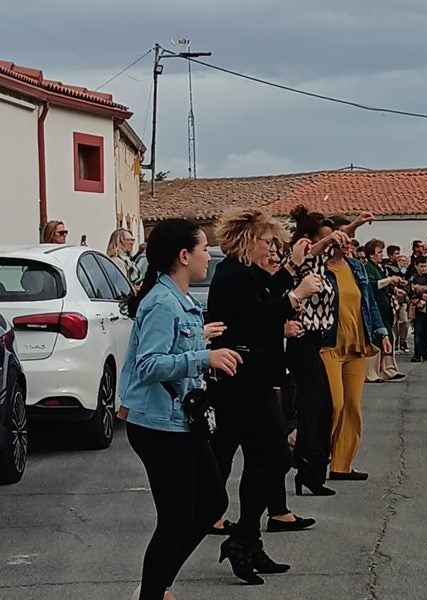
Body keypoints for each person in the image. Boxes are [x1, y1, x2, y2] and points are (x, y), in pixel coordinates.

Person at [119, 218, 238, 600]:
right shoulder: (161, 302)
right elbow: (149, 365)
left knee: (211, 503)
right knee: (176, 518)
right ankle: (153, 591)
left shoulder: (178, 299)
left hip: (181, 421)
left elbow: (170, 346)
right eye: (203, 248)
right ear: (183, 256)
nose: (208, 255)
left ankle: (159, 582)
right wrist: (204, 356)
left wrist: (198, 340)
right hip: (157, 425)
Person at [207, 208, 323, 584]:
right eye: (268, 242)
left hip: (255, 376)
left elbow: (266, 295)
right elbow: (252, 315)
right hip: (242, 380)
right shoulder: (231, 275)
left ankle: (249, 539)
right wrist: (294, 297)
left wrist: (290, 273)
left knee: (263, 458)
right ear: (248, 241)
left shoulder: (246, 275)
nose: (273, 249)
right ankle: (242, 538)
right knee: (275, 455)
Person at [307, 217, 393, 482]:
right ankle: (316, 458)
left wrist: (381, 332)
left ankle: (342, 465)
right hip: (329, 345)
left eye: (347, 240)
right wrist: (338, 235)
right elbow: (307, 257)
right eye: (337, 238)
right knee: (334, 404)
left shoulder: (356, 267)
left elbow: (368, 304)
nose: (344, 243)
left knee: (352, 407)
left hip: (357, 344)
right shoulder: (318, 269)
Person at [363, 239, 406, 384]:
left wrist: (395, 289)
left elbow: (384, 285)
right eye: (379, 252)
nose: (382, 255)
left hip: (385, 308)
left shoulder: (379, 268)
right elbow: (372, 286)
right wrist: (389, 280)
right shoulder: (368, 268)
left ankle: (389, 369)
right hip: (375, 308)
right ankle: (371, 372)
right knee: (377, 338)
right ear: (371, 255)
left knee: (389, 336)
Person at [408, 256, 427, 362]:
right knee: (418, 330)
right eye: (421, 266)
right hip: (417, 307)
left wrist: (418, 288)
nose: (423, 268)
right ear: (416, 266)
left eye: (425, 266)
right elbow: (409, 291)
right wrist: (421, 293)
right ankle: (417, 353)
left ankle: (426, 352)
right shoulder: (412, 278)